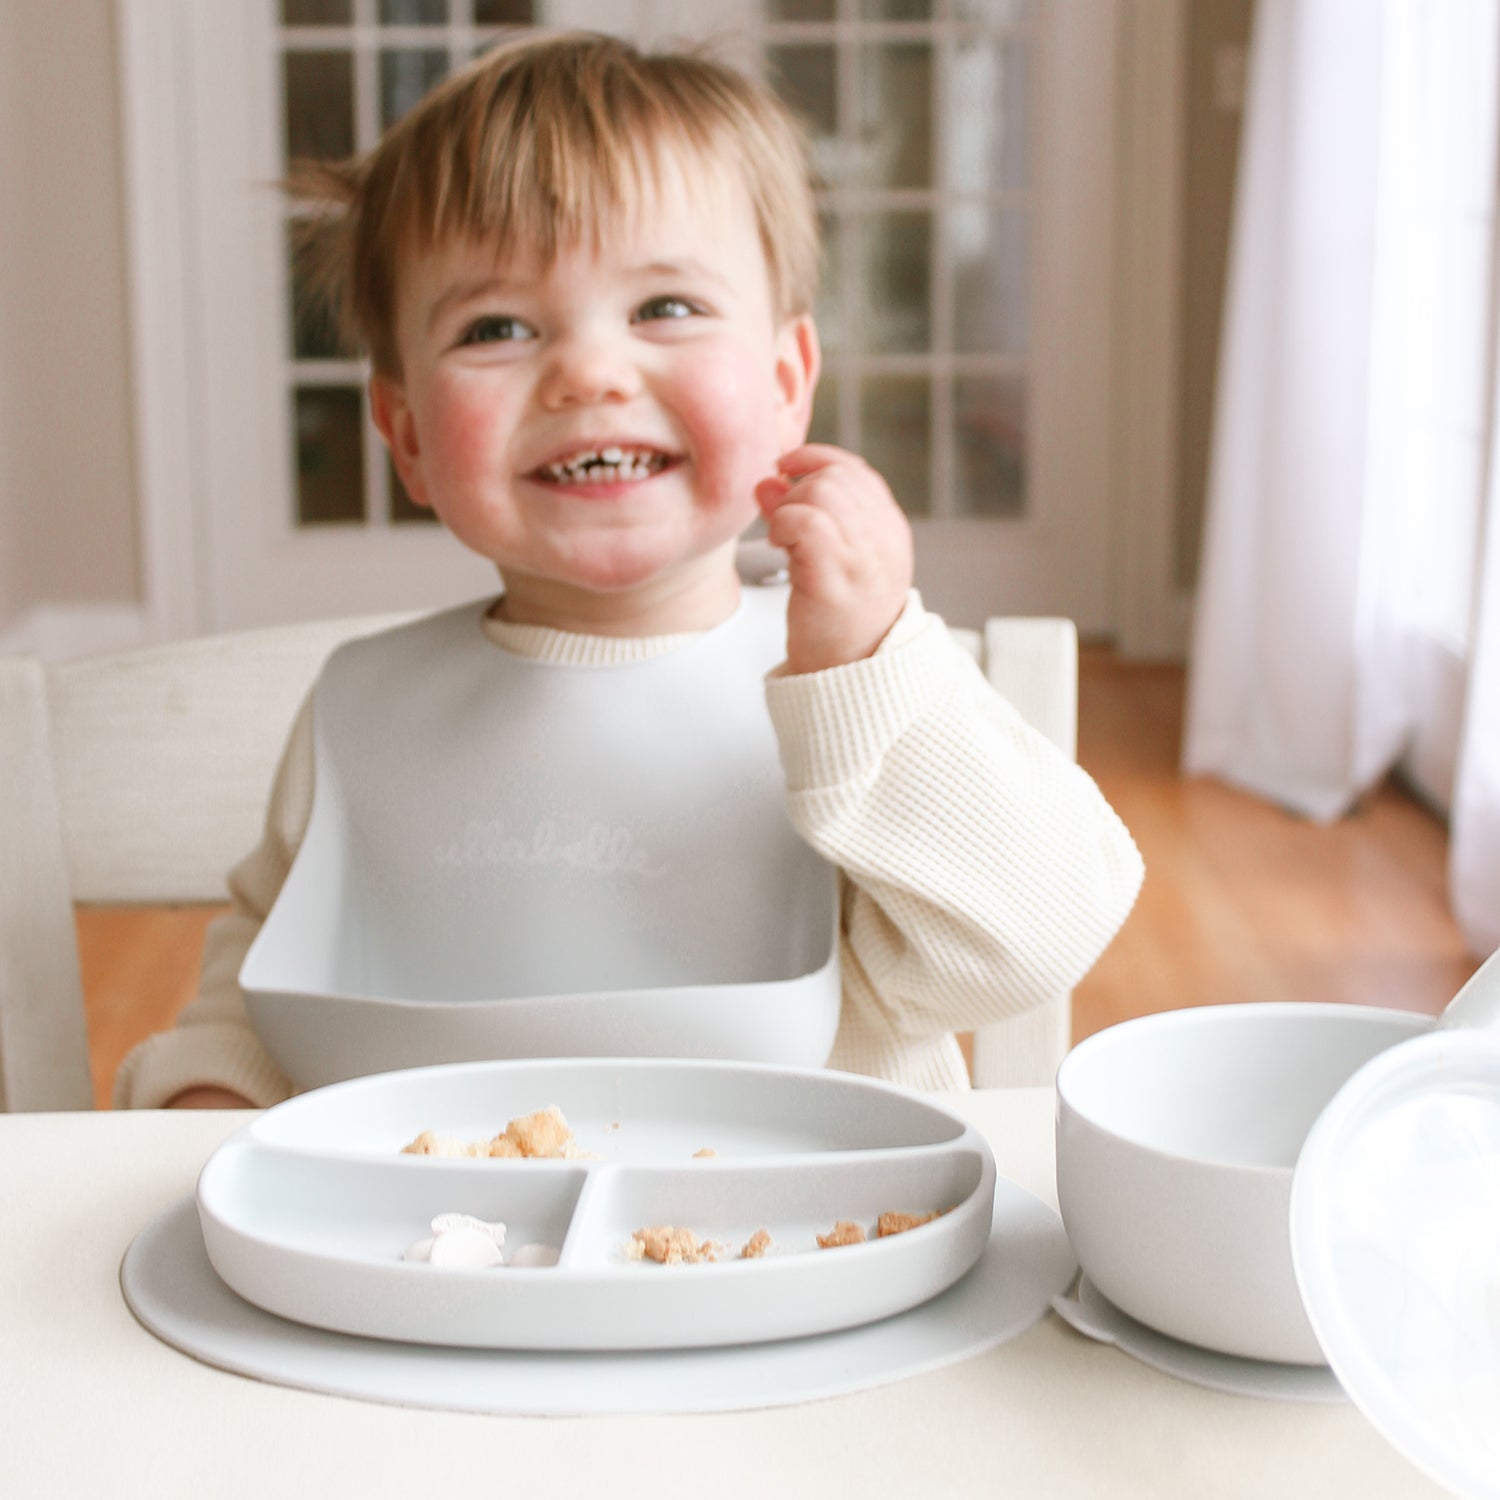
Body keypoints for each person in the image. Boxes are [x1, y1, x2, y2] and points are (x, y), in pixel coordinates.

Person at [114, 31, 1143, 1110]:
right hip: (452, 1256)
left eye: (665, 308)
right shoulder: (363, 711)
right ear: (405, 431)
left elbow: (1037, 933)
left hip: (811, 1251)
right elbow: (270, 983)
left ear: (788, 378)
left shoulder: (866, 685)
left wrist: (870, 665)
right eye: (498, 326)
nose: (590, 373)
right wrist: (212, 1087)